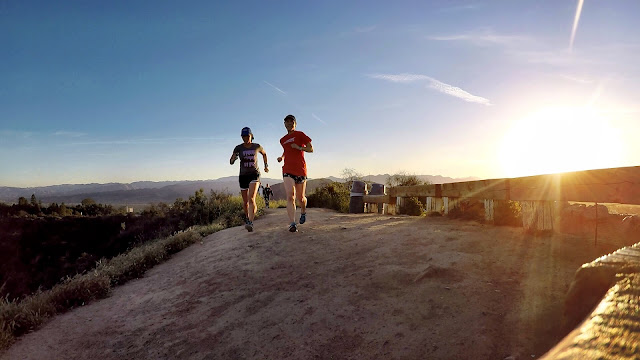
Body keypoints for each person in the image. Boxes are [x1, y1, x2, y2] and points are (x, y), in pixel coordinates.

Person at [277, 114, 313, 232]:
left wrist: (299, 147)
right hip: (287, 169)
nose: (289, 124)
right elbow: (286, 150)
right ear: (284, 124)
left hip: (300, 170)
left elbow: (311, 149)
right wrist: (282, 157)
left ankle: (303, 211)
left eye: (291, 122)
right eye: (287, 122)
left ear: (295, 124)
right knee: (290, 196)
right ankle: (292, 223)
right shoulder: (282, 140)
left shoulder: (300, 134)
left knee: (301, 198)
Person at [230, 127, 268, 232]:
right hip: (243, 176)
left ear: (251, 135)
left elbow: (264, 154)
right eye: (243, 136)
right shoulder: (238, 148)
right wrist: (233, 159)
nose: (245, 138)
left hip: (254, 175)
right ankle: (247, 218)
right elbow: (231, 160)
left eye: (247, 136)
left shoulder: (257, 146)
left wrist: (266, 166)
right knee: (245, 202)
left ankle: (251, 222)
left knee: (251, 199)